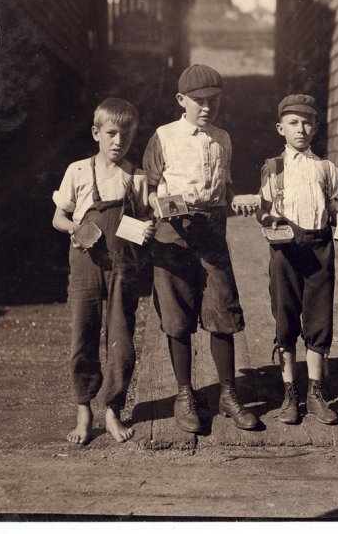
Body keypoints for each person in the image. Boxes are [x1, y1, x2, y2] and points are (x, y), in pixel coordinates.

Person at [142, 64, 260, 434]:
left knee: (222, 312)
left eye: (213, 101)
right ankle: (184, 394)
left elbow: (223, 187)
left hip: (211, 233)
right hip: (172, 236)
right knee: (177, 318)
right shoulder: (163, 136)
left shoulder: (222, 138)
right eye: (198, 101)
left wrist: (237, 199)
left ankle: (228, 394)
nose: (206, 107)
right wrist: (158, 203)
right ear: (181, 101)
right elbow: (147, 186)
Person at [52, 97, 155, 444]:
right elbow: (58, 217)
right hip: (85, 265)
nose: (118, 141)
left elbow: (143, 220)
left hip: (123, 266)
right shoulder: (78, 171)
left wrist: (148, 227)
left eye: (126, 135)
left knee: (121, 341)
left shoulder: (137, 177)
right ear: (96, 133)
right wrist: (74, 229)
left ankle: (112, 409)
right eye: (111, 133)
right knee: (83, 336)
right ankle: (84, 411)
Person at [256, 94, 338, 426]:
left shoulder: (326, 167)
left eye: (307, 123)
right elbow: (264, 210)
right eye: (293, 123)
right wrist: (267, 222)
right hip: (286, 248)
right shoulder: (274, 166)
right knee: (286, 316)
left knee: (319, 318)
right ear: (281, 128)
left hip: (320, 244)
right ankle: (290, 392)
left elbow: (333, 206)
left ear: (316, 127)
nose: (301, 129)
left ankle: (315, 393)